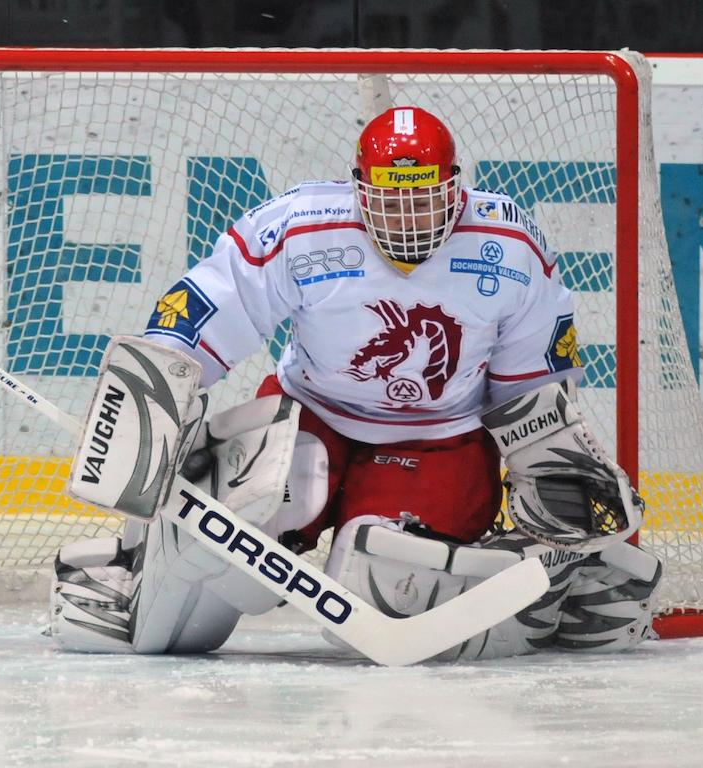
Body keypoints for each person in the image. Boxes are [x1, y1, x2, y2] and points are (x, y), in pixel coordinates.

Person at [47, 106, 663, 662]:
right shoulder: (301, 227)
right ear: (358, 188)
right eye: (391, 201)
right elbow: (213, 307)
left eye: (423, 200)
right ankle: (136, 571)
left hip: (439, 441)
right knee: (232, 544)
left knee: (386, 576)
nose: (407, 218)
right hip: (311, 417)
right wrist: (159, 385)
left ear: (455, 189)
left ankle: (548, 601)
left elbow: (531, 385)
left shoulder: (508, 245)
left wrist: (549, 474)